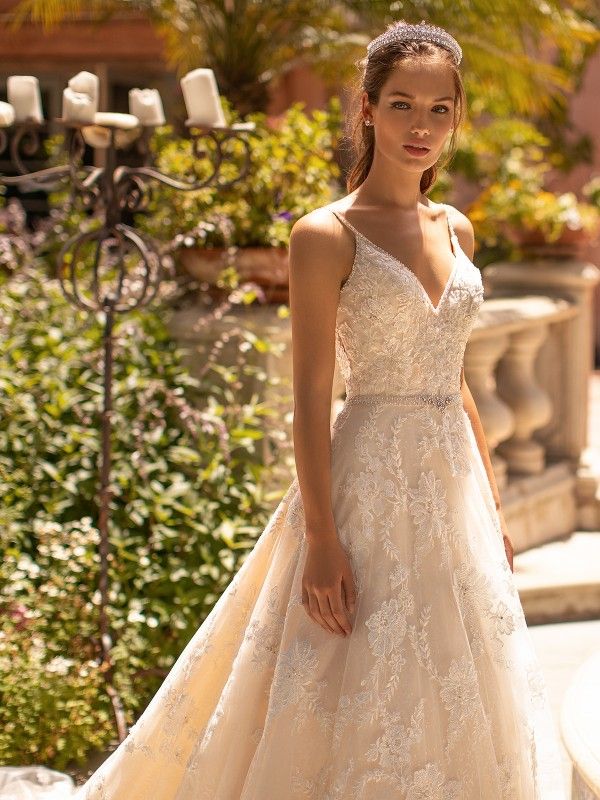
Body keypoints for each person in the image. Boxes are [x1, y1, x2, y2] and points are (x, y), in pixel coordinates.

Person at [0, 18, 568, 800]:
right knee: (346, 664)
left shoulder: (456, 228)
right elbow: (307, 398)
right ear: (366, 109)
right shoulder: (324, 234)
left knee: (462, 669)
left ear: (458, 118)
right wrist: (323, 538)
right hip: (365, 478)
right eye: (403, 105)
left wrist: (495, 506)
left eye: (441, 110)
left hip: (454, 490)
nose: (422, 127)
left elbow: (458, 378)